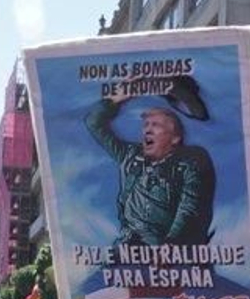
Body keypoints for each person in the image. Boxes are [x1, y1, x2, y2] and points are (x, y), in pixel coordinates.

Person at [85, 87, 215, 246]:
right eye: (146, 125)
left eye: (156, 125)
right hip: (130, 248)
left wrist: (170, 246)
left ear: (175, 138)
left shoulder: (190, 163)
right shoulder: (130, 155)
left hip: (173, 252)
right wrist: (115, 100)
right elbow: (93, 123)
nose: (147, 130)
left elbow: (189, 209)